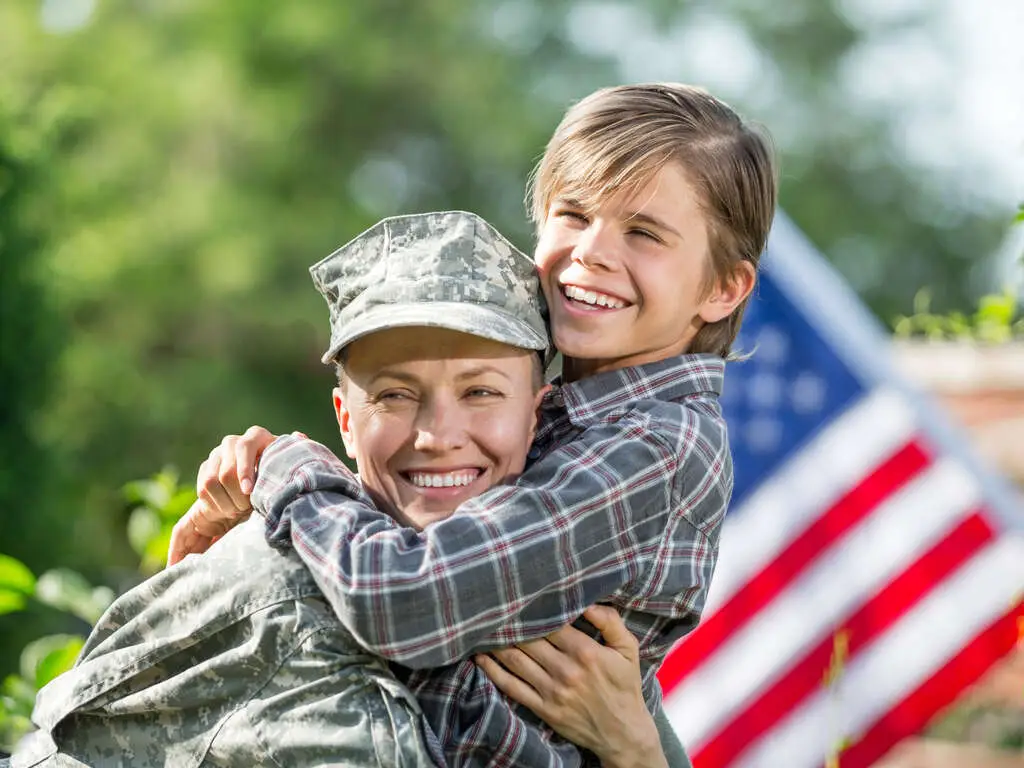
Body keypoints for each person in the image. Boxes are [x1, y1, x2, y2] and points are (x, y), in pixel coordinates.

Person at [176, 82, 777, 766]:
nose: (593, 252)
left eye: (643, 233)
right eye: (572, 215)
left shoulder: (655, 445)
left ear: (722, 287)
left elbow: (404, 597)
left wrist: (292, 474)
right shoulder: (571, 413)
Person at [11, 212, 672, 768]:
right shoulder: (284, 588)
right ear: (345, 422)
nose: (439, 435)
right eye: (395, 395)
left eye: (480, 392)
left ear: (537, 413)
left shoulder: (553, 604)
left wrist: (636, 750)